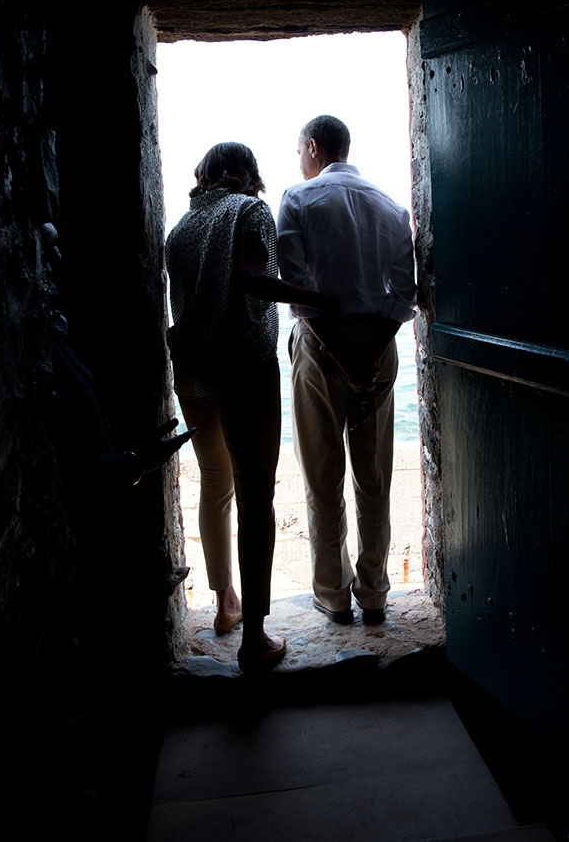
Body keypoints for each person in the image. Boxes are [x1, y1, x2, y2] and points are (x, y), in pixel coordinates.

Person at [165, 142, 332, 672]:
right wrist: (324, 298)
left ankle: (225, 605)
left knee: (216, 485)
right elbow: (254, 277)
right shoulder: (251, 210)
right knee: (256, 498)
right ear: (247, 174)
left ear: (203, 175)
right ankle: (254, 641)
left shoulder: (181, 229)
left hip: (192, 374)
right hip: (243, 368)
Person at [276, 115, 416, 625]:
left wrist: (339, 355)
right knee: (373, 474)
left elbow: (297, 293)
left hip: (320, 345)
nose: (300, 162)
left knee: (322, 473)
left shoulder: (297, 199)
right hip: (376, 346)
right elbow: (404, 296)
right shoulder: (390, 206)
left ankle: (333, 595)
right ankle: (375, 592)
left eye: (299, 152)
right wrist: (370, 354)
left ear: (312, 147)